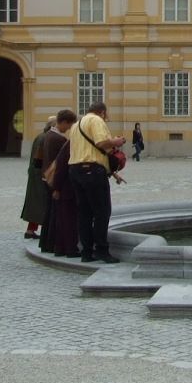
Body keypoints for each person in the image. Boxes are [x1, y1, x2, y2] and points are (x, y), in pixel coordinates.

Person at [68, 100, 126, 263]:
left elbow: (88, 150)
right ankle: (101, 250)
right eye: (106, 115)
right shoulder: (96, 120)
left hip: (75, 170)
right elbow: (101, 143)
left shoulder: (77, 124)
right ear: (102, 112)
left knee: (85, 213)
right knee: (102, 211)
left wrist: (112, 173)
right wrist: (117, 142)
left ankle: (86, 252)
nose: (106, 118)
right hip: (92, 171)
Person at [41, 110, 79, 257]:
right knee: (62, 217)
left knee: (53, 215)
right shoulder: (59, 139)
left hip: (48, 179)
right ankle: (60, 246)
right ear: (63, 122)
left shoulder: (48, 136)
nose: (69, 129)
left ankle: (49, 244)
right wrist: (57, 186)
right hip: (58, 181)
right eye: (69, 126)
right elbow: (61, 165)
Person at [20, 118, 51, 239]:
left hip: (36, 173)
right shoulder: (45, 138)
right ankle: (40, 231)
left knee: (36, 204)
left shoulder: (40, 136)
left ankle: (30, 230)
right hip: (40, 175)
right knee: (41, 203)